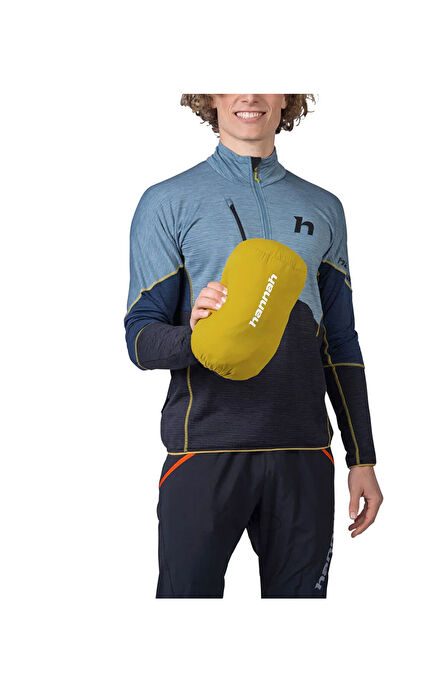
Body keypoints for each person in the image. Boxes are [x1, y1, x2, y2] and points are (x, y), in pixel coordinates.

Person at [124, 94, 383, 598]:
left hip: (304, 452)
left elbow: (341, 343)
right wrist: (197, 336)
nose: (250, 96)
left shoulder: (323, 207)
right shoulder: (168, 201)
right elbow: (140, 337)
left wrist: (362, 458)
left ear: (287, 98)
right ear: (210, 97)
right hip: (204, 449)